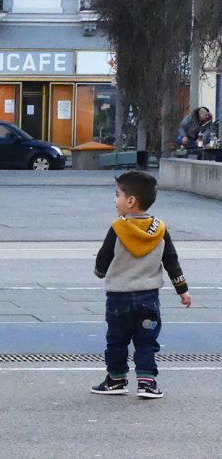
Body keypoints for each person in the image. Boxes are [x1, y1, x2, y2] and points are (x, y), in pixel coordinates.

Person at [90, 171, 191, 399]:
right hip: (149, 297)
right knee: (147, 342)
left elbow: (103, 259)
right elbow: (171, 261)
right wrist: (182, 290)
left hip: (119, 298)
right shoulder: (160, 229)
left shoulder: (117, 228)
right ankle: (147, 382)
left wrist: (100, 272)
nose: (115, 200)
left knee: (116, 340)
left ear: (130, 201)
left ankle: (116, 379)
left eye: (117, 195)